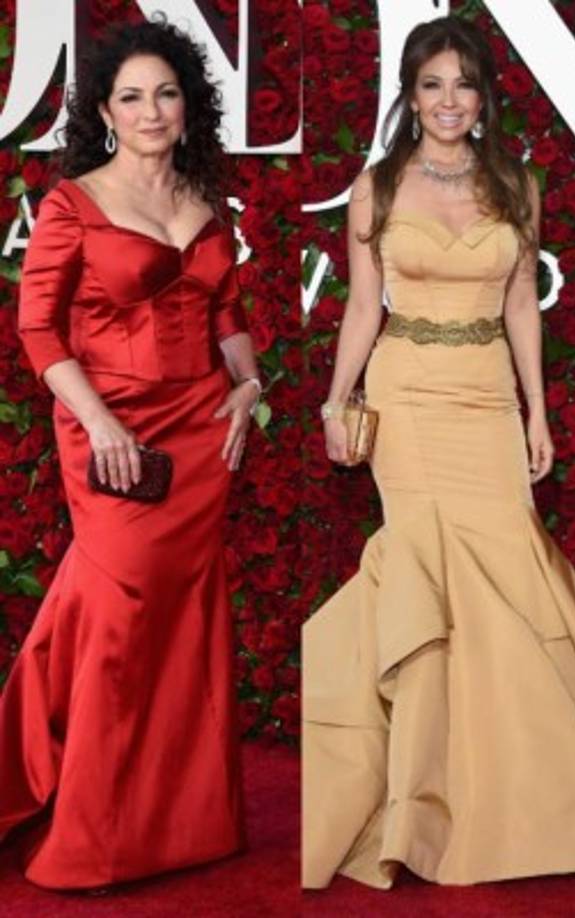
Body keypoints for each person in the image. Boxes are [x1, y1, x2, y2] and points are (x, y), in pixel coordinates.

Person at [300, 17, 575, 890]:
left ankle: (516, 792)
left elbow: (520, 308)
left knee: (507, 570)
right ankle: (426, 808)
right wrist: (335, 396)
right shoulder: (377, 187)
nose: (447, 101)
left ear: (485, 97)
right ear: (409, 93)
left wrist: (534, 411)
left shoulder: (517, 183)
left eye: (463, 84)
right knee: (431, 583)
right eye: (431, 84)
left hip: (485, 396)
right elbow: (364, 307)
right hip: (407, 397)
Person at [0, 19, 259, 888]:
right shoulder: (75, 202)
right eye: (132, 97)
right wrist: (103, 422)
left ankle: (184, 826)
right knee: (117, 613)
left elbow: (226, 315)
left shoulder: (205, 200)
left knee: (183, 621)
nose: (151, 111)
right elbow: (37, 327)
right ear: (107, 113)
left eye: (167, 93)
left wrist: (250, 388)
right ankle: (93, 834)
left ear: (188, 106)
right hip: (107, 427)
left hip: (200, 429)